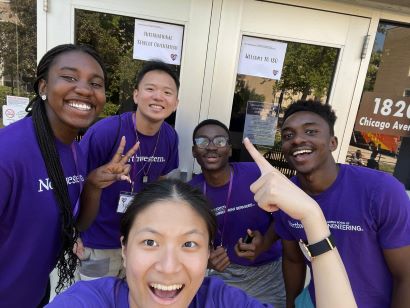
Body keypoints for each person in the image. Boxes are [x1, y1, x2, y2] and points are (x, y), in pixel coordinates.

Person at [47, 149, 356, 307]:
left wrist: (313, 218)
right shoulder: (88, 301)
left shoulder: (218, 300)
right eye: (151, 243)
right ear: (125, 249)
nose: (169, 267)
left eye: (189, 244)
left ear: (208, 252)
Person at [0, 44, 138, 307]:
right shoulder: (8, 152)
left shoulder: (74, 151)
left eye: (95, 83)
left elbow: (77, 226)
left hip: (34, 294)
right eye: (69, 77)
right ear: (43, 87)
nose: (85, 89)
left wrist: (93, 185)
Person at [275, 100, 410, 307]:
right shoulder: (286, 194)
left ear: (333, 142)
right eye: (288, 135)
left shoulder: (381, 190)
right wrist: (291, 303)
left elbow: (405, 275)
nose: (297, 140)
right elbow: (292, 258)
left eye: (310, 131)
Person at [75, 60, 180, 279]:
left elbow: (161, 186)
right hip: (98, 242)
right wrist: (72, 232)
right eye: (150, 89)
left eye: (167, 92)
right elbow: (72, 182)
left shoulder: (170, 137)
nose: (158, 97)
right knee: (95, 301)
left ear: (176, 102)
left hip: (140, 244)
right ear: (136, 95)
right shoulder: (106, 131)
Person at [189, 119, 285, 306]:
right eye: (202, 141)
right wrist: (205, 260)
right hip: (222, 275)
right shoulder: (190, 193)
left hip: (267, 274)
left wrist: (264, 243)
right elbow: (183, 241)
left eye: (219, 141)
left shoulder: (256, 174)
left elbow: (283, 219)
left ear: (230, 149)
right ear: (194, 151)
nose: (211, 147)